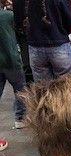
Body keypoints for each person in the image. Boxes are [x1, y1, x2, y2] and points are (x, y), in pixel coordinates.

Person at [12, 0, 71, 81]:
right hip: (58, 44)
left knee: (43, 86)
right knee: (66, 85)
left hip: (35, 46)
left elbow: (18, 24)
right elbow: (70, 22)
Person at [0, 0, 27, 128]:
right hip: (11, 60)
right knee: (20, 89)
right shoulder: (9, 16)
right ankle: (20, 119)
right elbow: (21, 28)